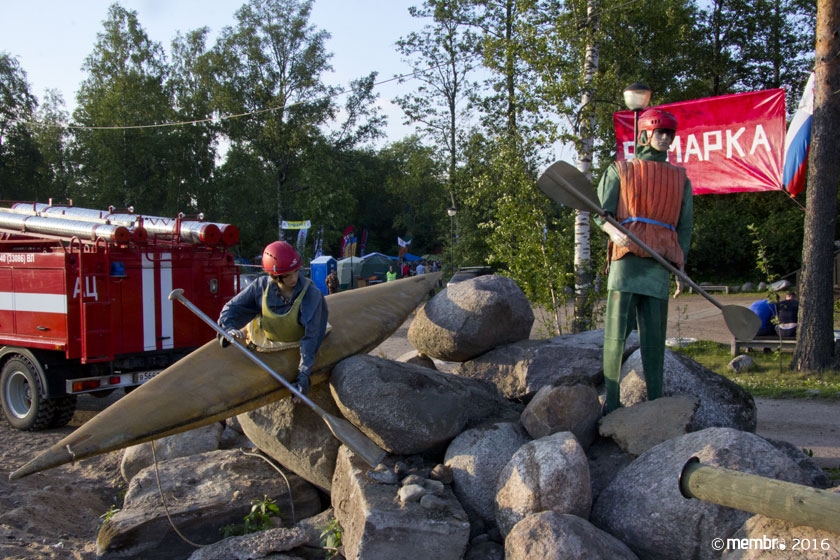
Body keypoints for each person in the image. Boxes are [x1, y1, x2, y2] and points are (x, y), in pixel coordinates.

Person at [597, 108, 693, 414]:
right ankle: (611, 402)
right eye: (659, 132)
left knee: (654, 339)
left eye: (669, 134)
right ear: (645, 135)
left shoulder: (680, 178)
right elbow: (601, 212)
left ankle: (655, 403)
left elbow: (685, 227)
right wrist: (613, 231)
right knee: (616, 336)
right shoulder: (621, 170)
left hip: (660, 261)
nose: (665, 138)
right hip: (626, 260)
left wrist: (679, 264)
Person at [217, 241, 329, 398]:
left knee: (312, 339)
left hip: (298, 342)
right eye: (287, 275)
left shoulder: (311, 294)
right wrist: (228, 329)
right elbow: (231, 308)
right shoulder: (261, 286)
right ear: (274, 275)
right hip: (266, 341)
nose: (294, 278)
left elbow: (311, 337)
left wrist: (303, 377)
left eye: (296, 271)